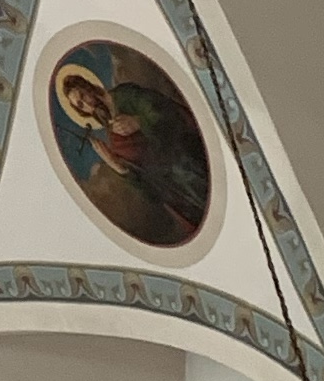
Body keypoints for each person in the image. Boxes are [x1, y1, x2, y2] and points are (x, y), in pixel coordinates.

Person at [49, 55, 208, 245]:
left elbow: (168, 112)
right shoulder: (113, 136)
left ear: (88, 86)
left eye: (83, 96)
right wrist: (116, 164)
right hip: (176, 193)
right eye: (81, 105)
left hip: (187, 163)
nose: (87, 105)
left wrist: (138, 121)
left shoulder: (124, 95)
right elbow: (147, 185)